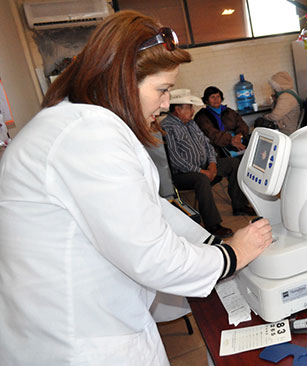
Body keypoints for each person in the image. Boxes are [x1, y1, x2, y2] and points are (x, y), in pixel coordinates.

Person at [0, 11, 272, 366]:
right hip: (79, 343)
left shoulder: (77, 124)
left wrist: (210, 244)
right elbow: (151, 256)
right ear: (122, 80)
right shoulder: (87, 134)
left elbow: (144, 208)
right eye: (162, 90)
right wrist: (232, 255)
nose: (165, 104)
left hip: (86, 325)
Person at [162, 89, 255, 238]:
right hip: (183, 174)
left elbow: (207, 145)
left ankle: (240, 205)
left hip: (205, 167)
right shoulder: (167, 127)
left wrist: (212, 164)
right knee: (202, 179)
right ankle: (213, 225)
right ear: (178, 110)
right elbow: (175, 159)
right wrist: (200, 171)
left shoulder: (191, 123)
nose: (193, 111)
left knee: (232, 163)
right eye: (189, 107)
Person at [194, 86, 250, 159]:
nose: (216, 99)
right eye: (212, 97)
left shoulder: (229, 111)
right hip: (218, 148)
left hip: (238, 141)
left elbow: (242, 124)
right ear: (206, 100)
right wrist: (231, 140)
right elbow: (212, 134)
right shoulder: (201, 116)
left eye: (218, 96)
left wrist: (239, 135)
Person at [259, 71, 301, 135]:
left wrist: (265, 116)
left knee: (259, 123)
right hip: (289, 127)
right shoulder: (290, 92)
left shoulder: (286, 97)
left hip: (287, 130)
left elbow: (275, 116)